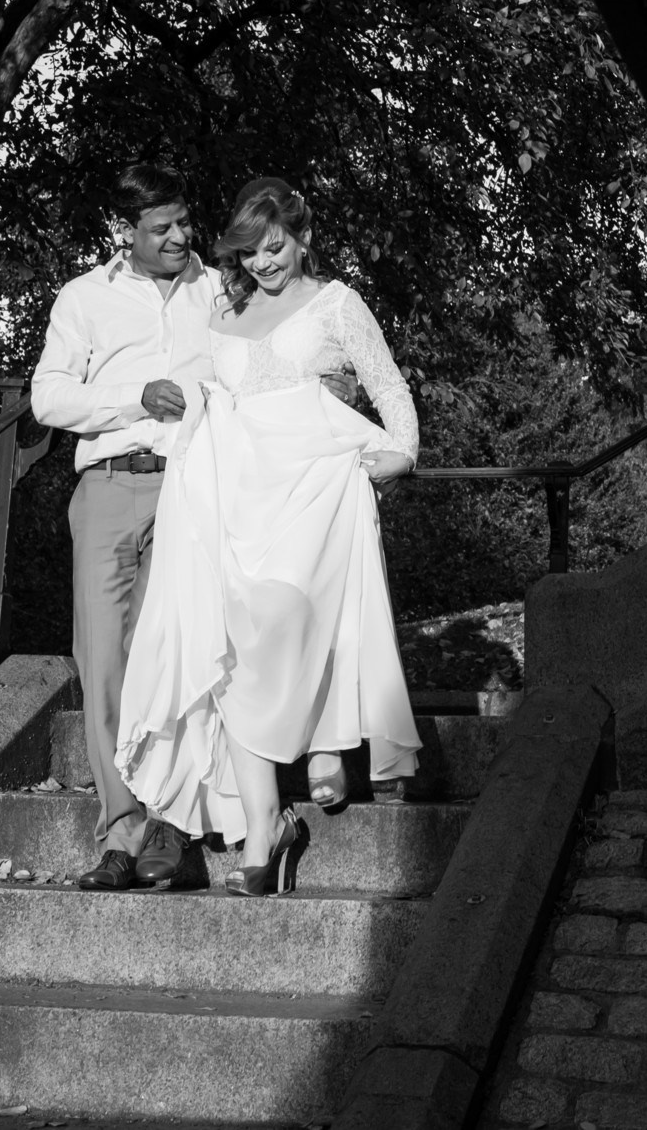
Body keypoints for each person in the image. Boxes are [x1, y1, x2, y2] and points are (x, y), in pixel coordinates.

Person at [29, 164, 356, 893]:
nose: (180, 236)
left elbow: (277, 353)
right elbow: (48, 397)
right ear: (127, 232)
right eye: (161, 228)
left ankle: (172, 833)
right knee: (105, 659)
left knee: (186, 654)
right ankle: (123, 831)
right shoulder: (84, 299)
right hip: (111, 483)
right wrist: (132, 397)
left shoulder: (222, 288)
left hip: (199, 489)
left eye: (183, 222)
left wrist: (329, 386)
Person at [114, 180, 422, 895]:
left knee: (282, 617)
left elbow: (390, 388)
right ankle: (262, 835)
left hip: (310, 494)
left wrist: (402, 452)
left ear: (301, 233)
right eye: (249, 252)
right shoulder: (225, 311)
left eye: (274, 246)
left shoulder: (338, 303)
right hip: (232, 502)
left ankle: (324, 744)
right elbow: (205, 397)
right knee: (227, 653)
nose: (264, 262)